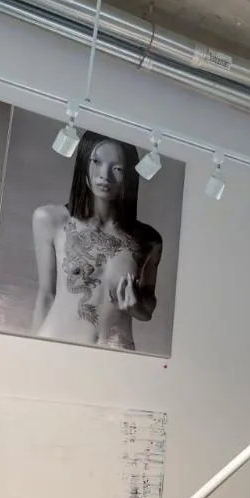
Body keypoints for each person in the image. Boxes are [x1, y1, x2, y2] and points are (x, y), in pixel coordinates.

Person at [31, 130, 162, 351]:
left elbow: (147, 308)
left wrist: (136, 307)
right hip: (57, 348)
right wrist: (27, 351)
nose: (105, 175)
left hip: (116, 355)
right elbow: (46, 295)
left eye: (117, 168)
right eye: (97, 162)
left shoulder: (148, 239)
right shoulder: (51, 220)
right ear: (84, 162)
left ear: (129, 175)